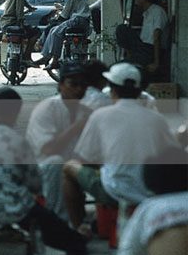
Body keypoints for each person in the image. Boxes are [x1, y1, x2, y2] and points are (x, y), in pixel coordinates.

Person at [0, 88, 87, 255]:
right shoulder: (17, 141)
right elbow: (35, 184)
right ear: (15, 111)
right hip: (14, 209)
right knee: (73, 241)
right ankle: (77, 240)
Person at [62, 63, 179, 233]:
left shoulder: (101, 115)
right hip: (149, 190)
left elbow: (84, 157)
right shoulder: (156, 118)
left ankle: (79, 228)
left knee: (69, 167)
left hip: (114, 190)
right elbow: (170, 154)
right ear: (139, 92)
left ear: (112, 90)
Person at [26, 62, 91, 220]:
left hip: (72, 166)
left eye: (83, 85)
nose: (78, 89)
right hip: (42, 169)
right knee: (56, 162)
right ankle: (57, 219)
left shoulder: (86, 111)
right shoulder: (47, 109)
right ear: (61, 85)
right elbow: (48, 150)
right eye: (73, 84)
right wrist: (77, 127)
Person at [34, 0, 90, 70]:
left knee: (55, 32)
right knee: (53, 29)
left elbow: (64, 16)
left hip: (77, 20)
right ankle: (46, 56)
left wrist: (55, 19)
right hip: (82, 22)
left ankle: (54, 60)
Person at [116, 0, 169, 78]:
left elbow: (156, 36)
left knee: (120, 67)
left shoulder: (157, 11)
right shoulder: (146, 12)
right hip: (142, 48)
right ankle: (131, 57)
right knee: (122, 29)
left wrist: (156, 63)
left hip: (151, 51)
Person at [0, 0, 40, 65]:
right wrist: (21, 21)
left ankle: (8, 57)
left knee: (10, 36)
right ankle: (27, 56)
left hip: (5, 22)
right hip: (14, 22)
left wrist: (29, 7)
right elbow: (19, 11)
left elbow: (21, 0)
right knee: (35, 32)